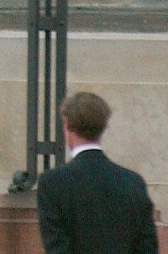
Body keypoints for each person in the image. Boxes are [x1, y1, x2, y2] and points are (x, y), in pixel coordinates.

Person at [36, 91, 157, 254]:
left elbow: (57, 248)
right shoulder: (133, 182)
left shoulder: (52, 183)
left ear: (66, 125)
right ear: (103, 126)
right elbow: (147, 248)